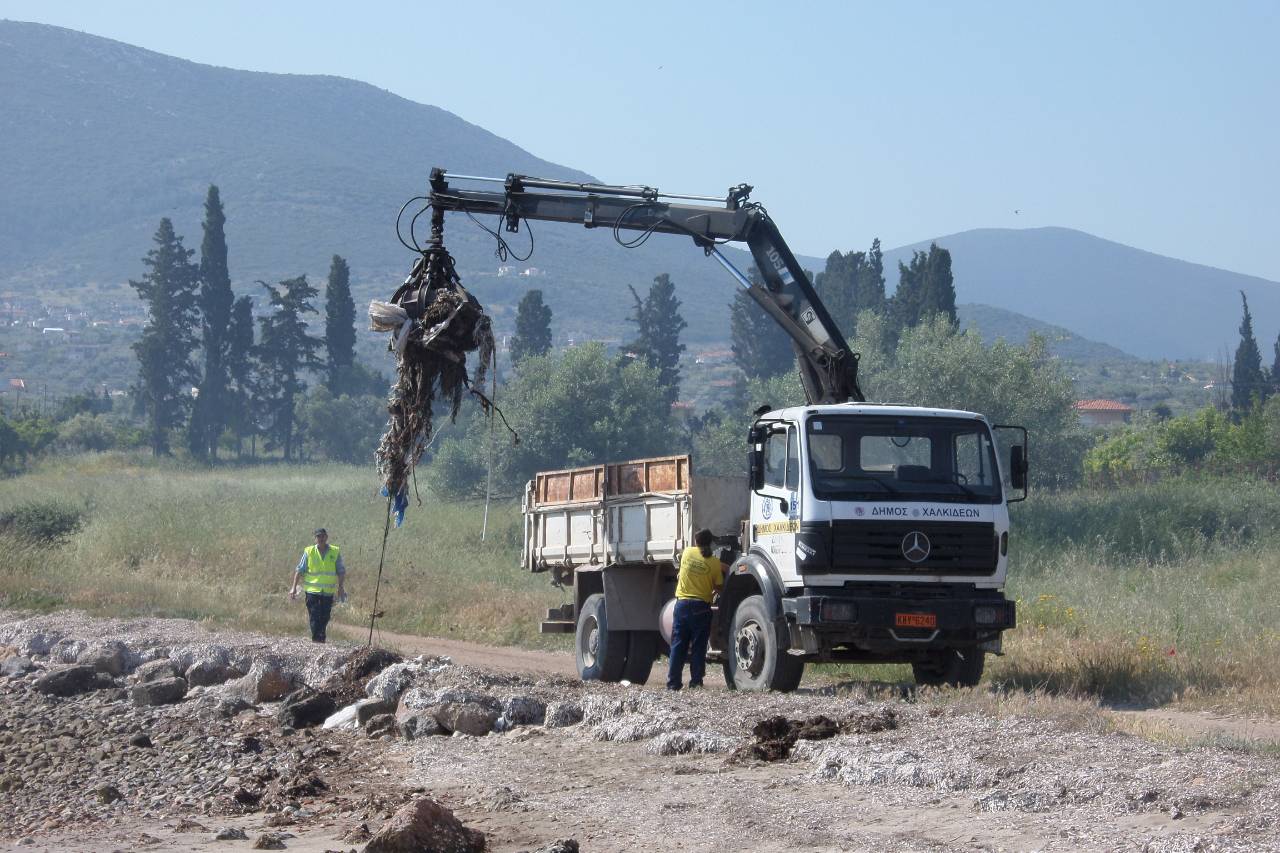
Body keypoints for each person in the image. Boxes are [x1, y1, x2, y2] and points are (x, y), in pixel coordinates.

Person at [667, 528, 723, 691]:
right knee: (699, 646)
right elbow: (719, 586)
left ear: (696, 541)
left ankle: (673, 684)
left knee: (678, 645)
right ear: (710, 543)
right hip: (701, 607)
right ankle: (696, 682)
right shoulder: (714, 563)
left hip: (682, 604)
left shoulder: (687, 553)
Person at [289, 528, 346, 643]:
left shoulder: (334, 551)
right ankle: (317, 641)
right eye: (319, 536)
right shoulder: (309, 551)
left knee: (325, 617)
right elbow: (299, 570)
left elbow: (341, 571)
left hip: (328, 591)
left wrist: (340, 587)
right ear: (315, 539)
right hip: (312, 591)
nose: (321, 539)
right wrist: (293, 587)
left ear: (327, 537)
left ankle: (321, 637)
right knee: (314, 615)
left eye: (323, 536)